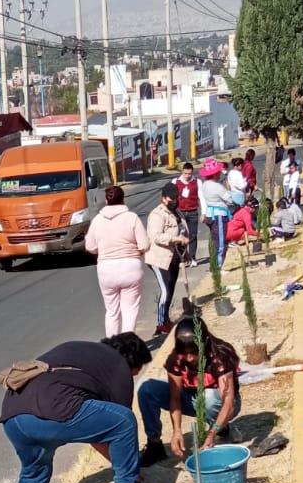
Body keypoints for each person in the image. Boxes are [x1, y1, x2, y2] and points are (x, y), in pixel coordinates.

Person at [0, 333, 163, 483]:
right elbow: (116, 429)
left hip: (13, 417)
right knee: (124, 420)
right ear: (132, 360)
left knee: (34, 471)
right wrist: (129, 472)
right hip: (52, 410)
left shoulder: (80, 350)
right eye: (137, 371)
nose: (134, 376)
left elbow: (97, 432)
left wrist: (121, 465)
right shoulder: (117, 366)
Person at [137, 315, 241, 466]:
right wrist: (177, 431)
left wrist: (211, 434)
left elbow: (229, 402)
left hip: (220, 403)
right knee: (147, 389)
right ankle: (154, 445)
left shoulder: (220, 356)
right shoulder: (176, 359)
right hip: (191, 399)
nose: (190, 358)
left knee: (209, 397)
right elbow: (175, 398)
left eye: (194, 352)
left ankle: (220, 427)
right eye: (185, 353)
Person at [85, 184, 149, 336]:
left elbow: (90, 246)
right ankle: (127, 346)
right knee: (130, 311)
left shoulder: (97, 220)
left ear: (106, 201)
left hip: (106, 270)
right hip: (130, 267)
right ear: (123, 200)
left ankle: (111, 348)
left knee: (112, 311)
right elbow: (144, 245)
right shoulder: (132, 218)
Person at [145, 181, 189, 335]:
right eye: (171, 199)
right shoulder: (157, 214)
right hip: (159, 258)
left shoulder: (177, 212)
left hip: (174, 257)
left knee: (170, 289)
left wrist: (186, 252)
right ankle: (160, 324)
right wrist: (175, 239)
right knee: (164, 290)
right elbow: (156, 237)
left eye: (176, 198)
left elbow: (183, 231)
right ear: (163, 198)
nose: (174, 201)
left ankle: (166, 320)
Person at [197, 156, 232, 267]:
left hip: (210, 214)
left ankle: (215, 262)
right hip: (219, 215)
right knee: (221, 242)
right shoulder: (217, 186)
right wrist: (228, 189)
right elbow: (229, 199)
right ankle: (218, 265)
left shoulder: (205, 185)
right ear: (215, 173)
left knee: (214, 239)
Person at [173, 161, 201, 263]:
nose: (187, 176)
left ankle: (193, 257)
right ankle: (183, 258)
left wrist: (204, 213)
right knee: (180, 236)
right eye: (185, 173)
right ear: (182, 172)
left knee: (193, 235)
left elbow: (201, 197)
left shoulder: (197, 182)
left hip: (193, 212)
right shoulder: (175, 182)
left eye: (189, 173)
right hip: (180, 213)